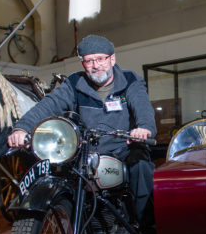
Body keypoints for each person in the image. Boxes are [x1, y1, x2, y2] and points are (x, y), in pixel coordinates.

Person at [8, 34, 156, 220]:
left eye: (100, 59)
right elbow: (48, 105)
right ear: (82, 64)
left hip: (124, 148)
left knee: (141, 169)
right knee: (62, 173)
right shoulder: (74, 83)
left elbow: (143, 107)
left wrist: (144, 128)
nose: (95, 65)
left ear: (112, 59)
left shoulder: (129, 80)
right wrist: (22, 128)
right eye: (89, 61)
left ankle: (145, 226)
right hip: (88, 151)